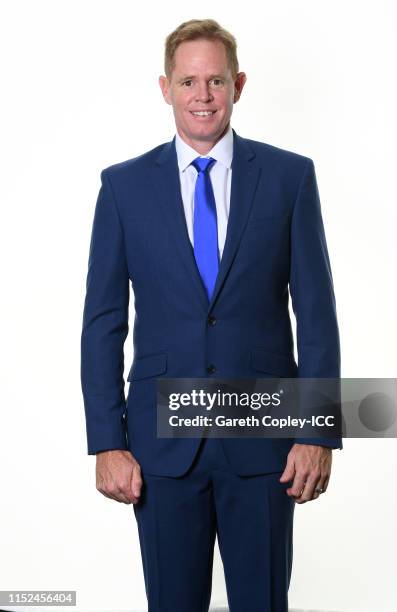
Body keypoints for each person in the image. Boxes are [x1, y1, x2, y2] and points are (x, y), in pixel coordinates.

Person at [80, 18, 342, 612]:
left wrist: (317, 430)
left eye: (216, 81)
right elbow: (102, 324)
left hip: (266, 441)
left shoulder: (288, 178)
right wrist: (107, 441)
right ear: (166, 88)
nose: (202, 96)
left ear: (238, 84)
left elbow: (318, 315)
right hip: (159, 448)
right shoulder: (122, 188)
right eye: (189, 81)